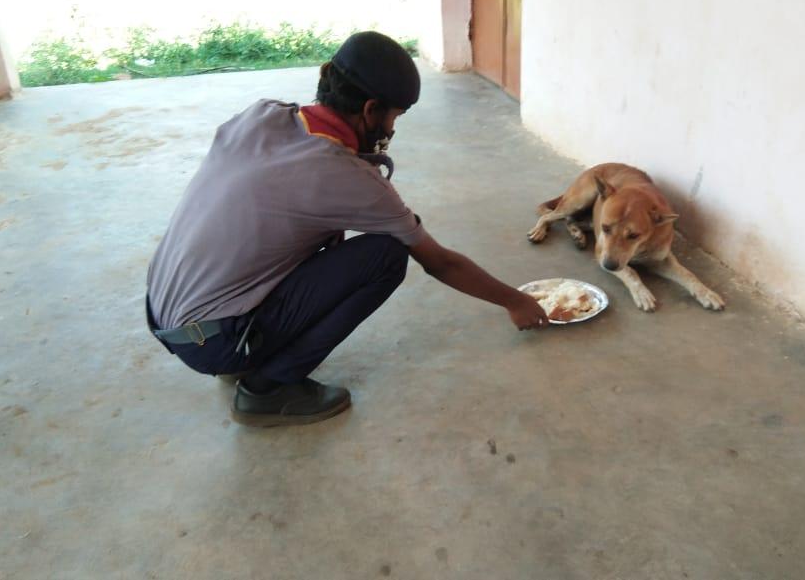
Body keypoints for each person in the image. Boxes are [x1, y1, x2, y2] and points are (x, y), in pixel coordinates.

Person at [145, 31, 548, 427]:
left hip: (166, 314)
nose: (392, 127)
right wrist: (516, 301)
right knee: (385, 256)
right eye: (395, 116)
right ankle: (266, 389)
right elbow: (440, 263)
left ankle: (243, 350)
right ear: (371, 110)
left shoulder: (262, 113)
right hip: (215, 341)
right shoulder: (348, 177)